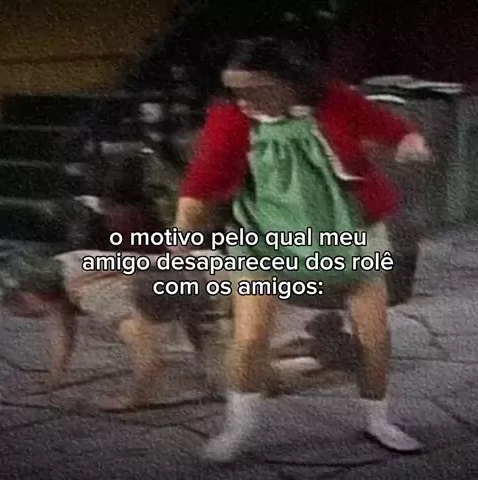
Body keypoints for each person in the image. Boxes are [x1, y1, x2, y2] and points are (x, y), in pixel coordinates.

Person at [171, 37, 431, 462]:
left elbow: (387, 125)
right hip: (263, 236)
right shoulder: (230, 118)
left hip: (348, 232)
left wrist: (407, 140)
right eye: (235, 90)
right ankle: (239, 427)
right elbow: (202, 181)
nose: (243, 99)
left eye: (255, 88)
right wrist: (185, 236)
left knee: (373, 334)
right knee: (250, 338)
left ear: (290, 81)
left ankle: (378, 420)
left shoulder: (334, 100)